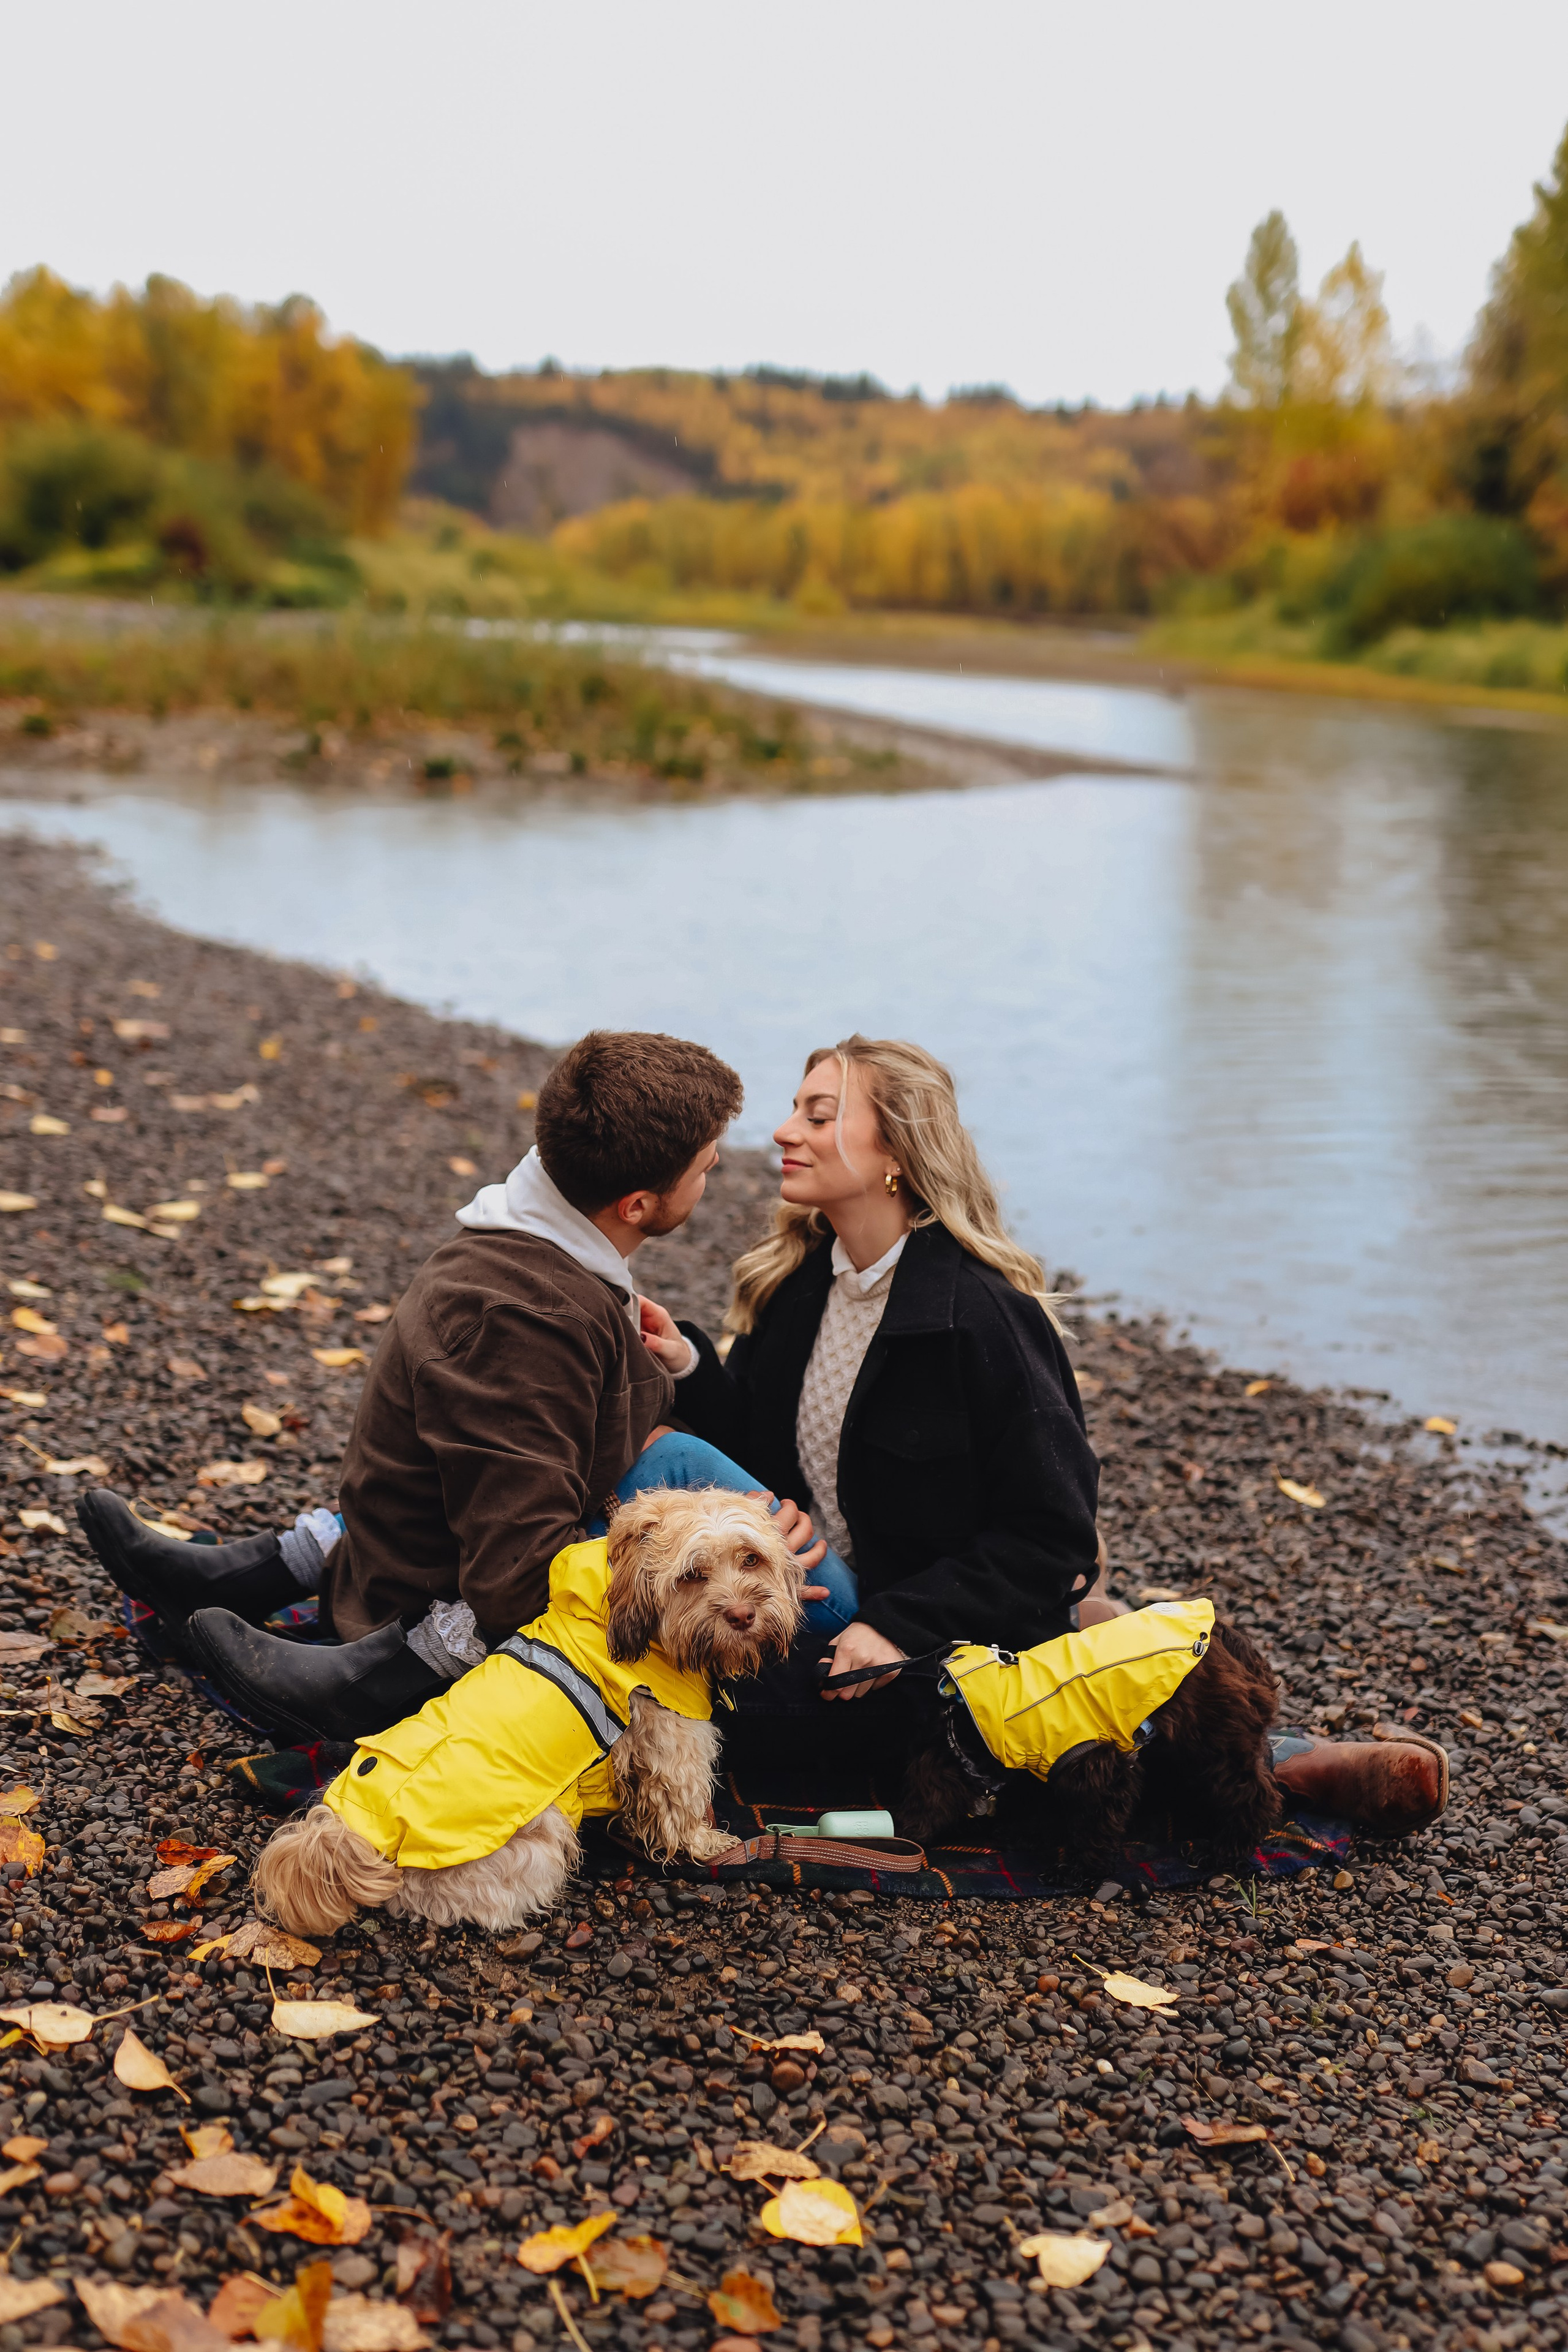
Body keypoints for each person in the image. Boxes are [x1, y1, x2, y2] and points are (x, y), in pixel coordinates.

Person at [648, 1033, 1448, 1834]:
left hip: (929, 1647)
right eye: (794, 1112)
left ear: (896, 1148)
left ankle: (1278, 1756)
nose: (785, 1131)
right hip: (807, 1601)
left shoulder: (983, 1317)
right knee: (668, 1476)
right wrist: (684, 1362)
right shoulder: (797, 1290)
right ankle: (1118, 1657)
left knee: (1089, 1754)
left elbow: (1053, 1532)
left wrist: (893, 1625)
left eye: (818, 1115)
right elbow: (761, 1440)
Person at [76, 1030, 842, 1744]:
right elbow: (515, 1575)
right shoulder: (521, 1316)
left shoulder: (537, 1236)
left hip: (449, 1518)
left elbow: (554, 1438)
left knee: (672, 1456)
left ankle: (260, 1570)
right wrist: (716, 1553)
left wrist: (680, 1423)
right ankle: (366, 1684)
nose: (715, 1174)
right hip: (439, 1584)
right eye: (707, 1165)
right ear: (638, 1205)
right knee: (818, 1594)